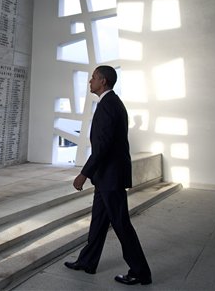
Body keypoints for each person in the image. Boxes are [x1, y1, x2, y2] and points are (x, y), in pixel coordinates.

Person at [64, 65, 152, 285]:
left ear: (103, 81)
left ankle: (140, 272)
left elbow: (102, 147)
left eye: (93, 78)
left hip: (110, 177)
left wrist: (84, 174)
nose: (90, 81)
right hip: (107, 176)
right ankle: (87, 262)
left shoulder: (107, 106)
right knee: (99, 222)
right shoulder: (112, 103)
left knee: (121, 224)